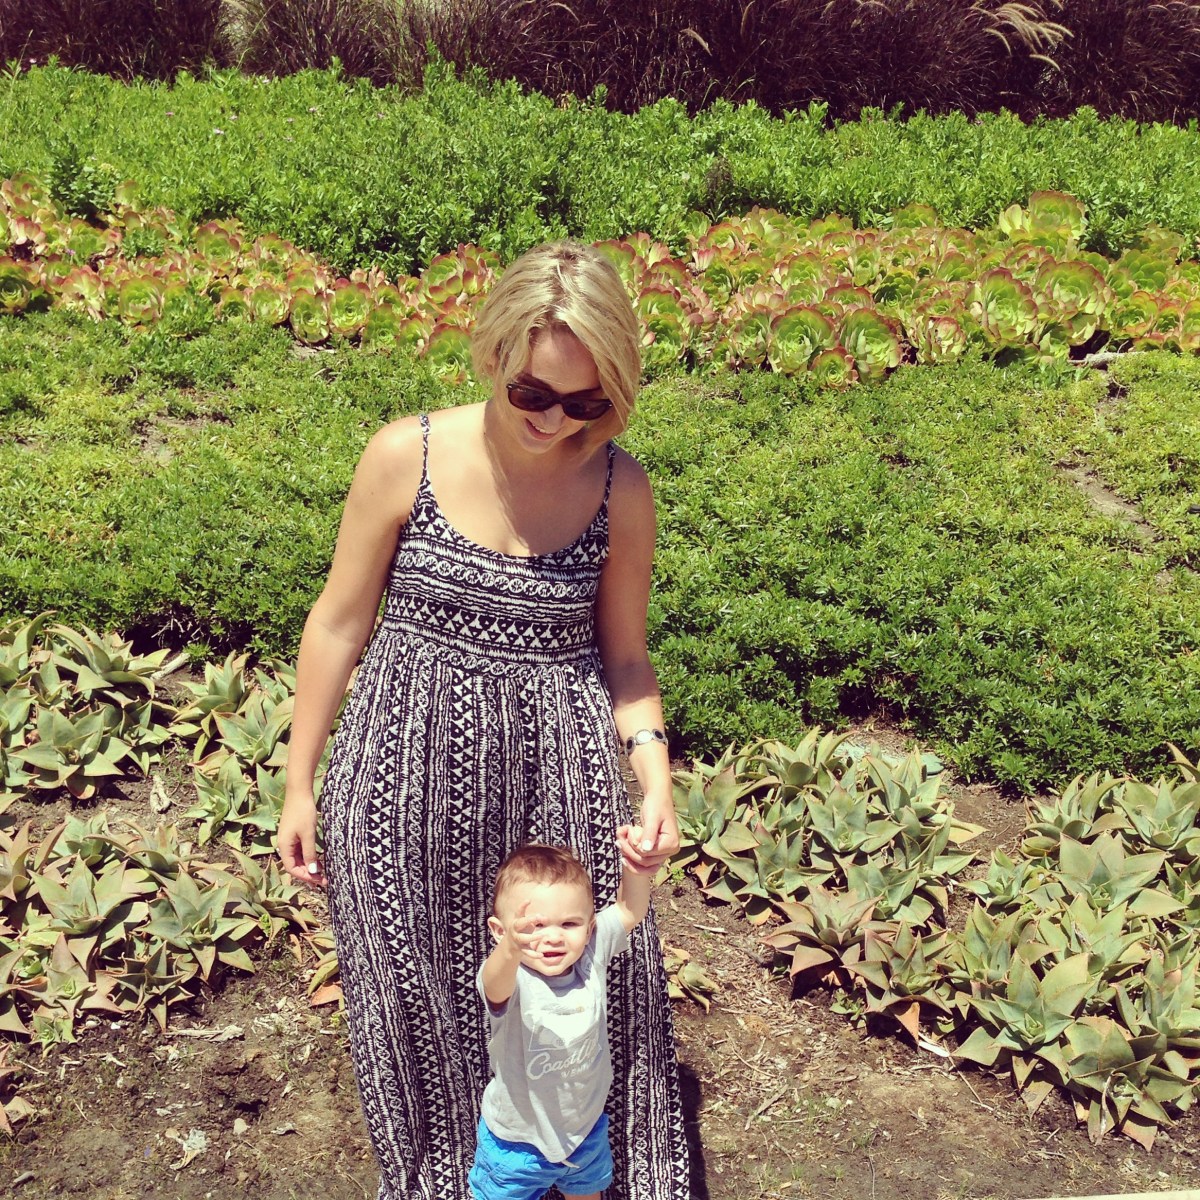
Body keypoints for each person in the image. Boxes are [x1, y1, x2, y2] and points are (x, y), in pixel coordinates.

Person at [276, 240, 690, 1200]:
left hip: (561, 768)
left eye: (584, 402)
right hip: (399, 772)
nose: (554, 421)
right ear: (493, 353)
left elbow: (627, 658)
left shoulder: (619, 488)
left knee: (598, 984)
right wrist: (300, 783)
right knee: (415, 999)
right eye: (532, 393)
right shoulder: (406, 456)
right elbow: (338, 623)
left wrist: (654, 776)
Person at [471, 841, 654, 1200]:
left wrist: (637, 866)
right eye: (534, 926)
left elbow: (629, 910)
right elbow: (493, 983)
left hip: (584, 1133)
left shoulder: (590, 955)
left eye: (569, 923)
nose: (553, 936)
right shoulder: (512, 976)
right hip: (517, 1144)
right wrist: (510, 949)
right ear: (500, 931)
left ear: (589, 928)